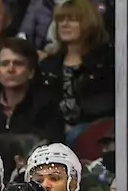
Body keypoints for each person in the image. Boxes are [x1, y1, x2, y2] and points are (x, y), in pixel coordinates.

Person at [0, 38, 65, 144]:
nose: (11, 69)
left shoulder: (47, 107)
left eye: (18, 63)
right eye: (5, 64)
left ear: (31, 72)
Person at [37, 0, 114, 141]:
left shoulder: (106, 61)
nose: (64, 24)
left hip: (97, 131)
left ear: (89, 23)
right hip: (56, 132)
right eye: (61, 20)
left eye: (72, 20)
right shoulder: (48, 65)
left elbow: (108, 104)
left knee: (75, 135)